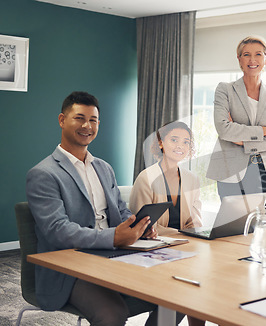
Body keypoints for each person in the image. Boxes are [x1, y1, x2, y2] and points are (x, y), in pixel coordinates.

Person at [26, 91, 157, 326]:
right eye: (79, 118)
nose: (87, 125)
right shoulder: (43, 174)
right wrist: (114, 237)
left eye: (93, 120)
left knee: (178, 296)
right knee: (112, 314)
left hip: (116, 258)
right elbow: (57, 230)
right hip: (71, 270)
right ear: (62, 120)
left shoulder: (104, 168)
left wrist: (138, 226)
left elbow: (120, 211)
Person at [206, 35, 266, 205]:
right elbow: (223, 129)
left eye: (258, 54)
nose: (252, 60)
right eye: (246, 55)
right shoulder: (225, 90)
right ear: (239, 59)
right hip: (231, 171)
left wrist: (243, 142)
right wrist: (263, 131)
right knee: (235, 226)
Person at [130, 121, 203, 236]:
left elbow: (195, 223)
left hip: (187, 243)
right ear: (161, 143)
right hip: (154, 245)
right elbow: (144, 227)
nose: (180, 146)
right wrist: (180, 234)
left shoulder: (192, 180)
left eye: (186, 142)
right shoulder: (146, 178)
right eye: (174, 140)